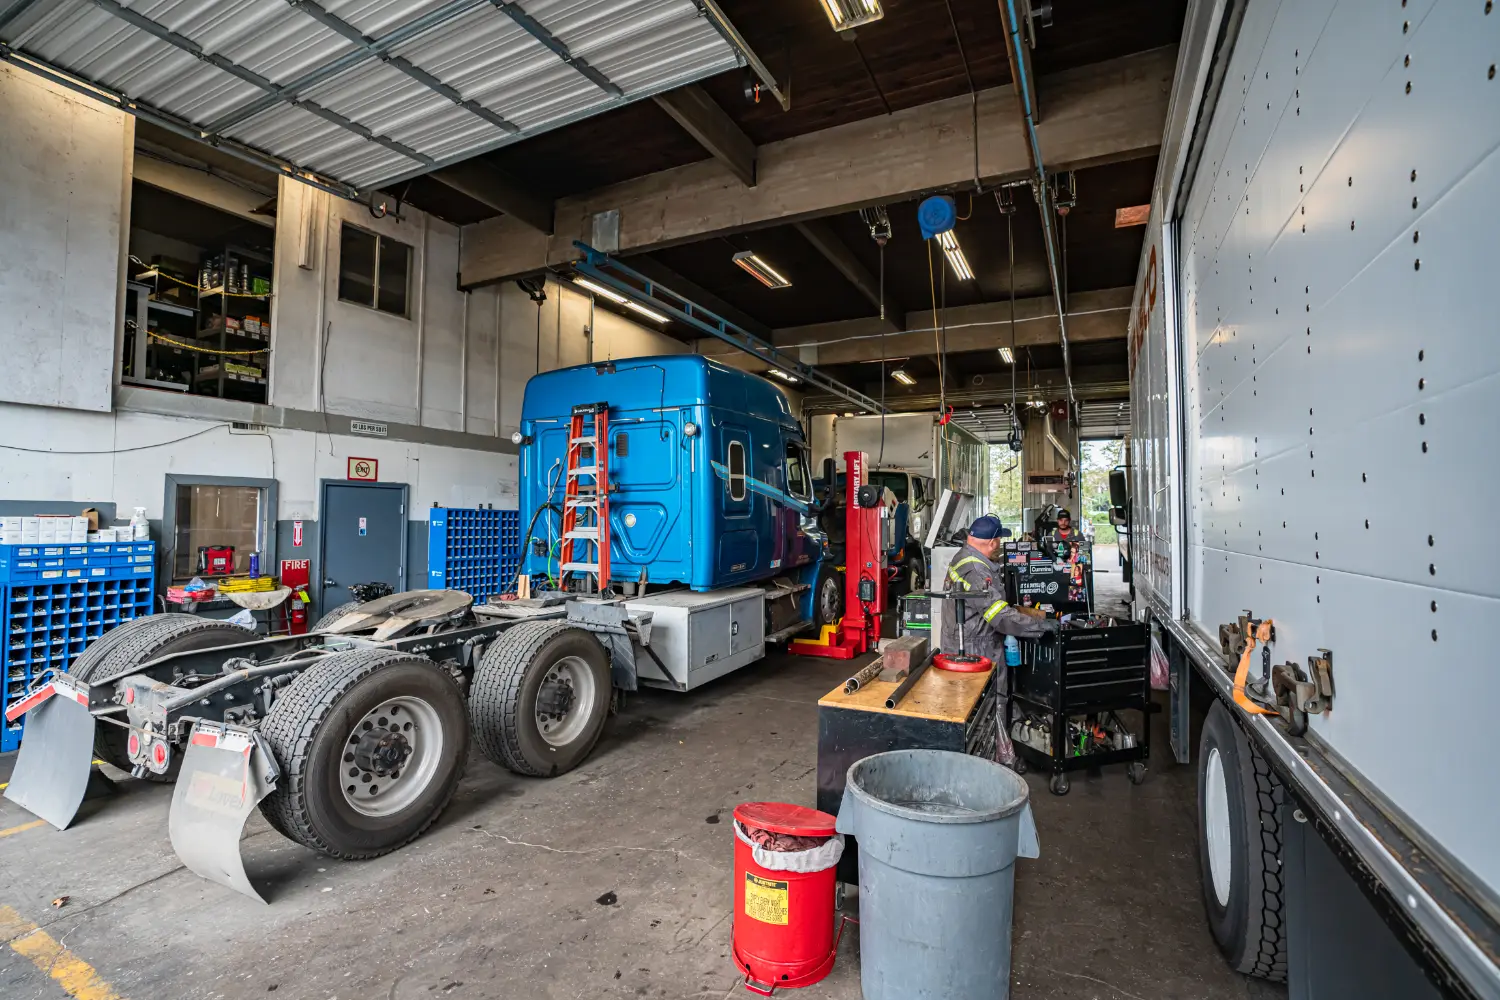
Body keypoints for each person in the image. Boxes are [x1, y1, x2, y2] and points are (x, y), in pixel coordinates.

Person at [942, 514, 1058, 768]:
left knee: (974, 705)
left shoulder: (965, 557)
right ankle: (996, 759)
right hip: (977, 646)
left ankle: (984, 754)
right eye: (1000, 542)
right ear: (993, 542)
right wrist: (1041, 626)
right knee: (992, 701)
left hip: (967, 639)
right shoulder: (975, 569)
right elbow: (1000, 617)